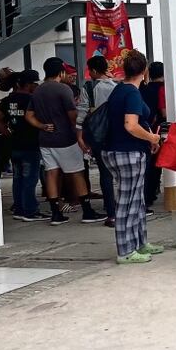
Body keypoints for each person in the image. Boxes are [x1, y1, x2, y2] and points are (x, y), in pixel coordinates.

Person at [101, 50, 165, 264]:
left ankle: (139, 242)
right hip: (127, 152)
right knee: (128, 202)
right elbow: (131, 125)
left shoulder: (119, 89)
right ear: (145, 71)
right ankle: (126, 249)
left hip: (119, 150)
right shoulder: (132, 93)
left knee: (136, 200)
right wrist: (152, 138)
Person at [27, 57, 104, 226]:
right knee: (76, 173)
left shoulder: (37, 91)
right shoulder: (64, 89)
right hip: (66, 139)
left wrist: (41, 126)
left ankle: (56, 213)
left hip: (46, 140)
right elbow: (73, 116)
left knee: (52, 174)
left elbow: (29, 116)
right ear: (61, 72)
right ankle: (87, 211)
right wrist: (82, 129)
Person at [0, 70, 48, 221]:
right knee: (30, 179)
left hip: (14, 145)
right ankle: (30, 211)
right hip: (30, 145)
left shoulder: (7, 100)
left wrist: (7, 133)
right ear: (26, 85)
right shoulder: (32, 100)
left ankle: (18, 208)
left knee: (18, 178)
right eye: (34, 84)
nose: (36, 86)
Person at [78, 55, 119, 226]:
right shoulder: (117, 86)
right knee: (120, 174)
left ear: (94, 71)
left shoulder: (89, 86)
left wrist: (79, 134)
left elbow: (82, 111)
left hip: (97, 134)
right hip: (116, 133)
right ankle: (121, 209)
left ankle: (110, 212)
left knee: (105, 174)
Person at [140, 61, 167, 208]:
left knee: (150, 165)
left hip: (145, 128)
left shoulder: (143, 89)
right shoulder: (166, 89)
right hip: (162, 129)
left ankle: (148, 196)